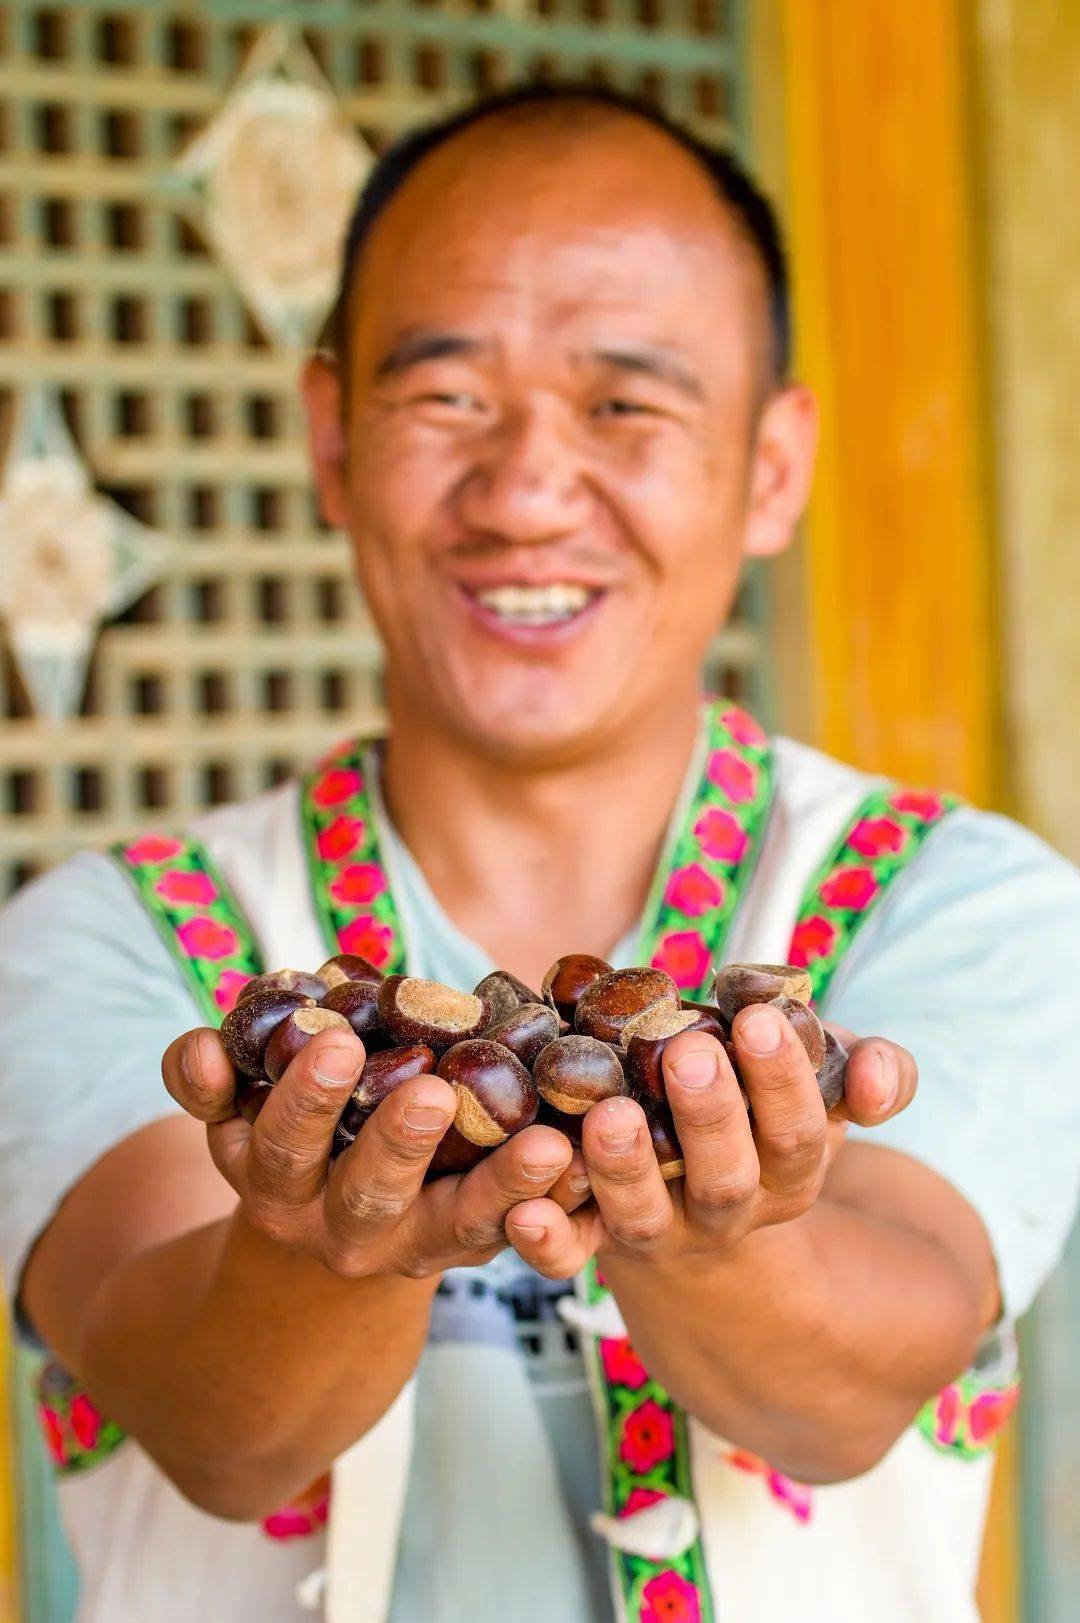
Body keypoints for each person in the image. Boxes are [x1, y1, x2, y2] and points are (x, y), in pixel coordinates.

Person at [1, 85, 1077, 1623]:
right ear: (331, 444)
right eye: (447, 401)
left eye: (626, 406)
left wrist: (703, 1240)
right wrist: (320, 1255)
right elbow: (213, 1433)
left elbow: (855, 1390)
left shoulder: (965, 905)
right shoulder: (104, 939)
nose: (522, 495)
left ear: (773, 467)